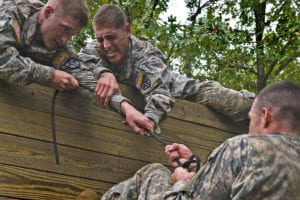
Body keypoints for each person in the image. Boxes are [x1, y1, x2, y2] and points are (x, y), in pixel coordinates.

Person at [76, 80, 300, 200]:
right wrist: (199, 169)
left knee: (154, 173)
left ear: (266, 116)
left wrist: (182, 182)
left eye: (250, 119)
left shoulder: (243, 148)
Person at [78, 4, 255, 135]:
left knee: (231, 102)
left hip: (185, 92)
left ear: (127, 30)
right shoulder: (95, 50)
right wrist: (104, 73)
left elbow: (160, 93)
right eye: (100, 39)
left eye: (111, 37)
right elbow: (79, 62)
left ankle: (268, 107)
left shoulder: (146, 55)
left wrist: (151, 118)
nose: (106, 45)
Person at [0, 0, 133, 115]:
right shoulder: (13, 11)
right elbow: (3, 57)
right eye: (65, 29)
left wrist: (125, 107)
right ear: (48, 13)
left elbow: (84, 77)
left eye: (71, 35)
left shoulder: (61, 49)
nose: (65, 40)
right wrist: (50, 75)